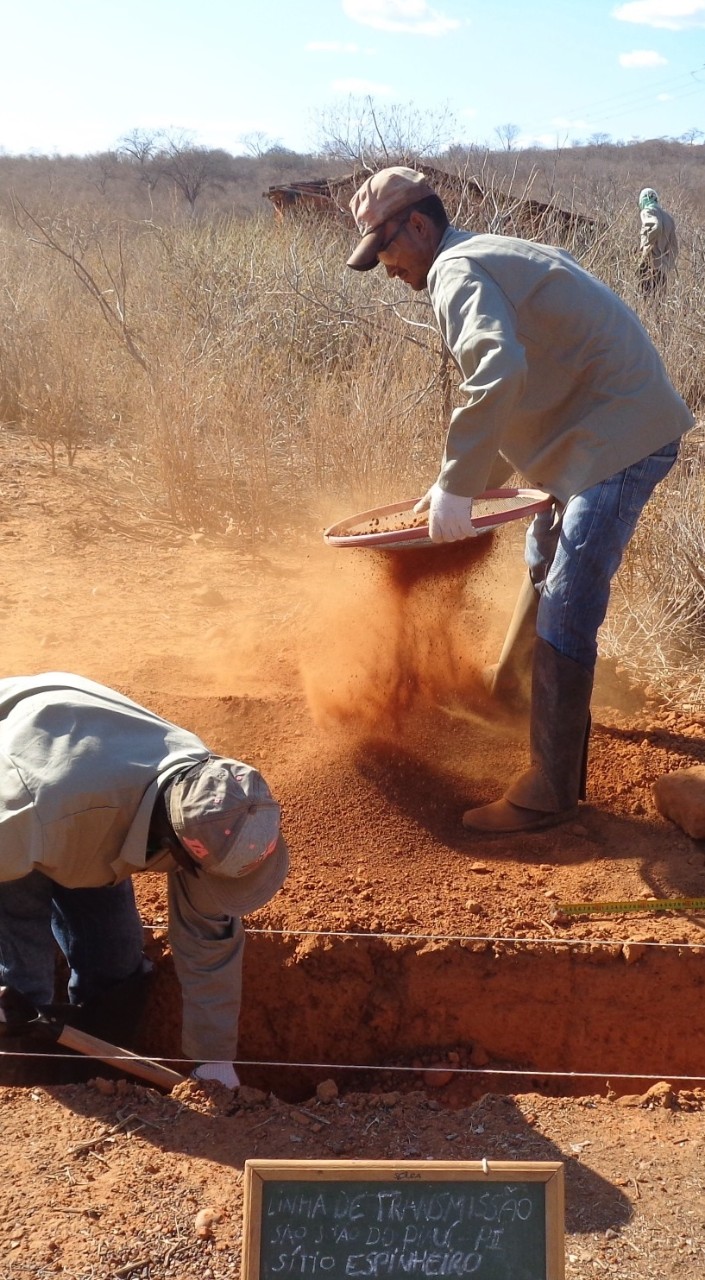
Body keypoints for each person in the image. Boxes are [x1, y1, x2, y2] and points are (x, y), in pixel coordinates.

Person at [346, 166, 693, 836]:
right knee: (542, 553)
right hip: (594, 428)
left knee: (568, 593)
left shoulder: (455, 271)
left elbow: (497, 370)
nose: (386, 269)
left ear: (417, 225)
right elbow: (531, 378)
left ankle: (548, 793)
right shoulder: (494, 252)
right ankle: (510, 693)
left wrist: (456, 485)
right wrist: (461, 480)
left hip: (619, 438)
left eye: (384, 250)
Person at [0, 672, 289, 1088]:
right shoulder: (33, 813)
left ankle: (96, 1081)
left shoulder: (215, 809)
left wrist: (214, 1060)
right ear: (173, 845)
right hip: (20, 785)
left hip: (83, 801)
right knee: (20, 982)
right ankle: (24, 1089)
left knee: (115, 958)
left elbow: (208, 940)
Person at [637, 187, 678, 298]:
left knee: (644, 297)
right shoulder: (669, 218)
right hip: (662, 268)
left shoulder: (647, 211)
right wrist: (667, 264)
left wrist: (645, 245)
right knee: (659, 300)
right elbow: (674, 246)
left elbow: (656, 226)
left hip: (649, 263)